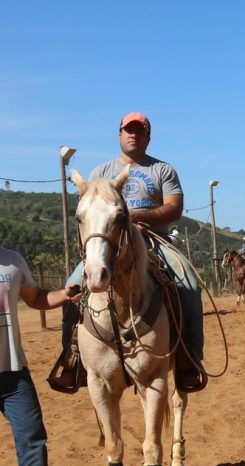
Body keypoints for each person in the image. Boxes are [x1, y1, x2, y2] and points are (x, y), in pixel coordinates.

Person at [64, 112, 205, 391]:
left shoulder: (162, 170)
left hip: (154, 240)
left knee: (189, 283)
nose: (133, 135)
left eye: (139, 131)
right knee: (71, 288)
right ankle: (72, 357)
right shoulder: (100, 172)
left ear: (148, 137)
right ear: (119, 134)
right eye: (128, 130)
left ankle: (189, 357)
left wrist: (137, 216)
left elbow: (174, 208)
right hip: (108, 244)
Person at [1, 245, 81, 466]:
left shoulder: (12, 260)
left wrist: (64, 294)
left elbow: (35, 298)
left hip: (13, 372)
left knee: (32, 437)